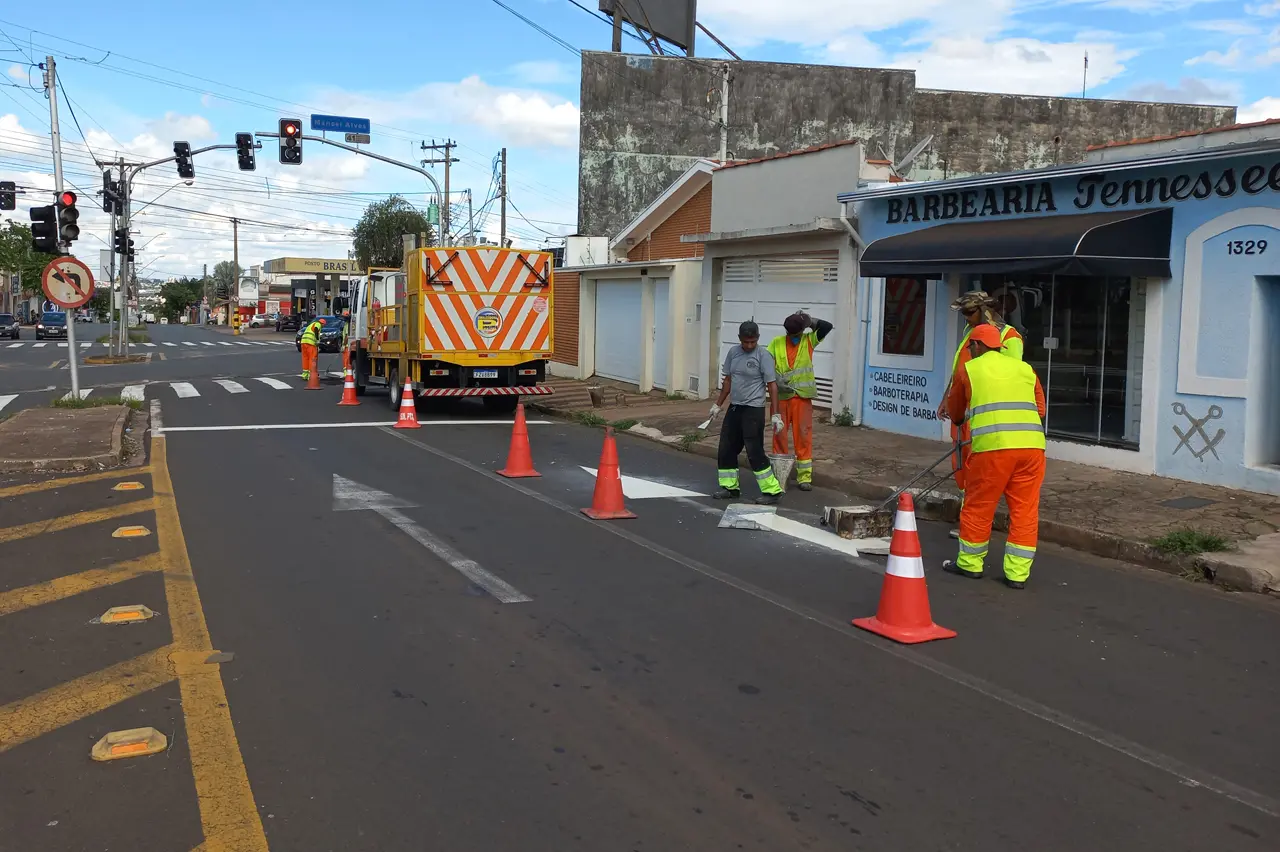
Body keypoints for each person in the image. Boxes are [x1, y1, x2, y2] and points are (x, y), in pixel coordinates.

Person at [941, 323, 1046, 589]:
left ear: (977, 346)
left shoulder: (971, 369)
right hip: (1032, 449)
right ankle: (1017, 575)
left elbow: (955, 412)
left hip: (993, 450)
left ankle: (970, 564)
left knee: (979, 505)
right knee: (1024, 510)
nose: (970, 351)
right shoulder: (1025, 369)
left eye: (970, 347)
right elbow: (1041, 409)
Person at [937, 290, 1025, 538]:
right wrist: (947, 398)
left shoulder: (1009, 338)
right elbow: (960, 371)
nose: (965, 318)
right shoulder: (970, 334)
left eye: (969, 312)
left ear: (984, 310)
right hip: (963, 412)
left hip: (986, 417)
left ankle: (975, 525)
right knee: (963, 469)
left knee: (980, 472)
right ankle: (969, 521)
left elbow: (1010, 380)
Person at [709, 320, 786, 505]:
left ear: (758, 339)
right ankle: (730, 488)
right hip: (735, 407)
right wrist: (717, 405)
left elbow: (772, 387)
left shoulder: (763, 356)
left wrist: (775, 415)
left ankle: (772, 490)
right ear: (739, 339)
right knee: (726, 448)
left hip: (754, 410)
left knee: (754, 450)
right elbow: (728, 380)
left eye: (752, 342)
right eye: (746, 342)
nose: (749, 345)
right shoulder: (733, 353)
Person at [767, 311, 834, 491]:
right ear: (787, 332)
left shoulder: (809, 340)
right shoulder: (776, 343)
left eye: (798, 334)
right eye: (793, 335)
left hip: (801, 398)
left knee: (803, 436)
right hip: (781, 397)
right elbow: (766, 363)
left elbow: (827, 326)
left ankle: (804, 478)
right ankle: (780, 473)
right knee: (779, 435)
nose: (795, 338)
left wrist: (809, 321)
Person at [300, 316, 326, 382]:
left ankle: (305, 374)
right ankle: (311, 375)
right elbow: (316, 329)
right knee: (312, 358)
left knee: (305, 358)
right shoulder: (318, 324)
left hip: (303, 342)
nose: (323, 327)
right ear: (322, 323)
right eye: (323, 325)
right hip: (310, 343)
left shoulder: (311, 324)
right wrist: (317, 340)